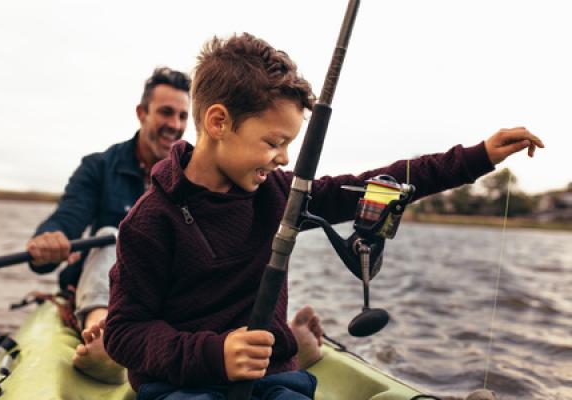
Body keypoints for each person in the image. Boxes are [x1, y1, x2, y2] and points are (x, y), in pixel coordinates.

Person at [103, 33, 543, 400]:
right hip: (182, 384)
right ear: (218, 122)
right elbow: (123, 333)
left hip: (270, 381)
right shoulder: (150, 221)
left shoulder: (281, 193)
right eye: (274, 141)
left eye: (289, 144)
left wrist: (477, 157)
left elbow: (377, 183)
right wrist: (215, 354)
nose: (284, 157)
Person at [25, 67, 192, 383]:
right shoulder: (98, 167)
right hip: (112, 289)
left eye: (183, 116)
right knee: (111, 236)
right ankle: (101, 331)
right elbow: (68, 217)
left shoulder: (194, 174)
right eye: (166, 113)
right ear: (142, 113)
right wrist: (51, 239)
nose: (175, 125)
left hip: (164, 290)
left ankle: (274, 340)